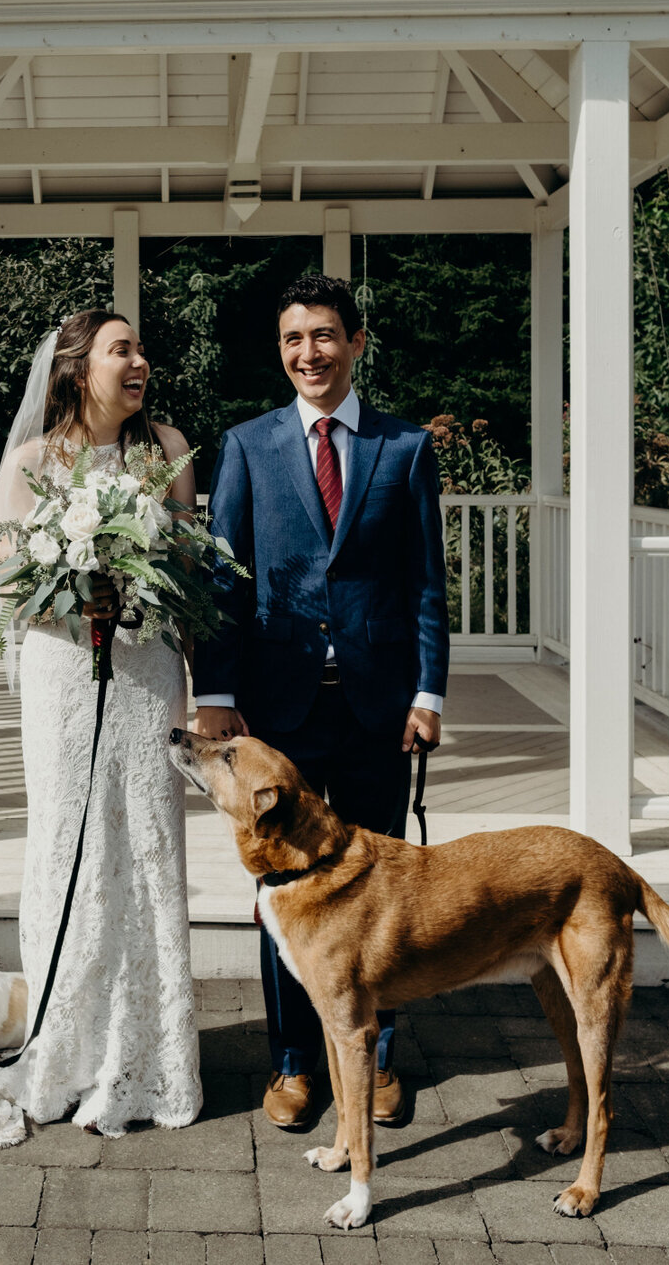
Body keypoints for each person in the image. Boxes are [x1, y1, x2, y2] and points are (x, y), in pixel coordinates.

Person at [192, 273, 449, 1130]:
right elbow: (225, 580)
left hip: (378, 707)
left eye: (327, 335)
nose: (312, 352)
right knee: (287, 892)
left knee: (382, 895)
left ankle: (372, 1058)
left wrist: (427, 688)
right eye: (296, 339)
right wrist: (219, 692)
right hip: (280, 713)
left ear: (356, 344)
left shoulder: (405, 448)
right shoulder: (247, 446)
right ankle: (297, 1063)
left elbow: (424, 582)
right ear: (281, 350)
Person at [0, 309, 203, 1137]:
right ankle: (66, 1053)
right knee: (67, 843)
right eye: (123, 350)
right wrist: (80, 593)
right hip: (65, 681)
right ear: (79, 370)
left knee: (147, 844)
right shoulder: (33, 462)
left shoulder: (169, 450)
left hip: (147, 676)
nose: (140, 361)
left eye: (141, 349)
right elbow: (10, 588)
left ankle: (149, 1062)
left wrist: (143, 586)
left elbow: (187, 570)